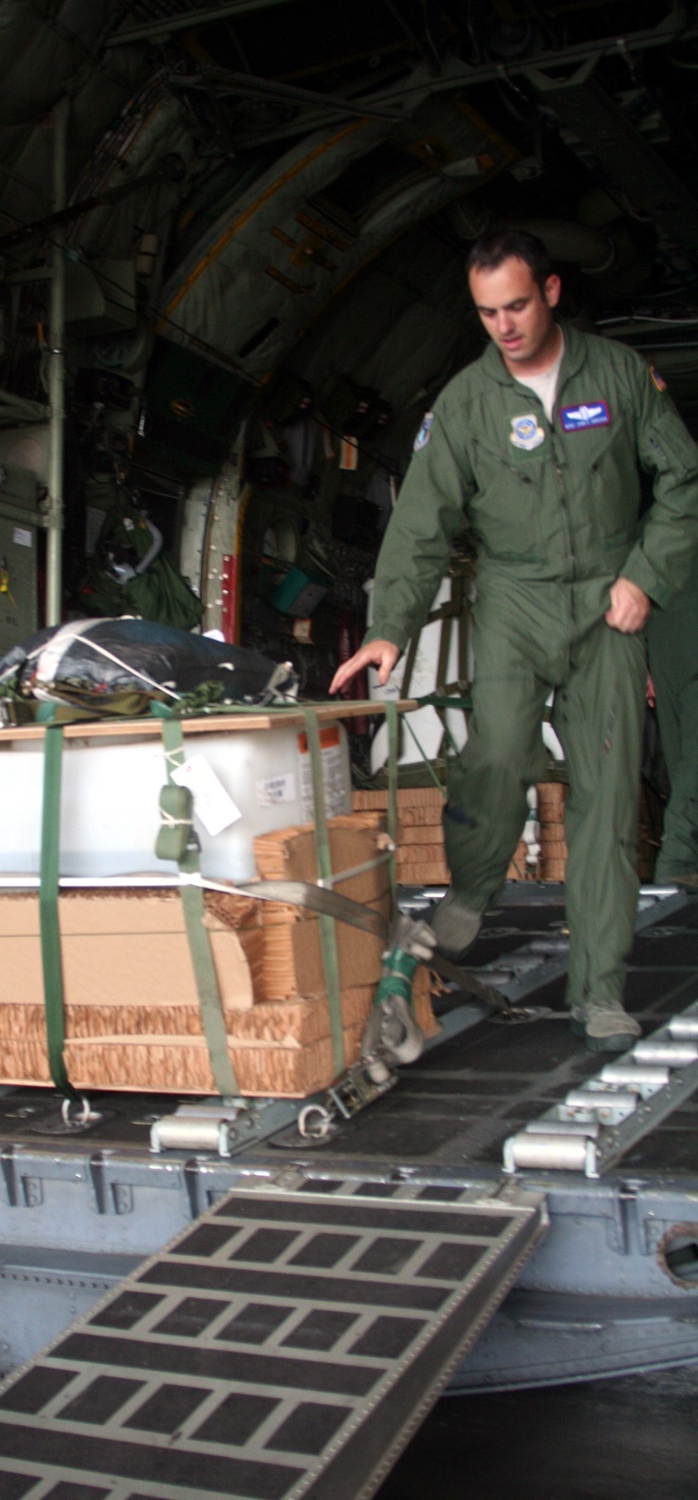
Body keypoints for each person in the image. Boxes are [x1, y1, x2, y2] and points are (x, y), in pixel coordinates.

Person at [331, 229, 698, 1052]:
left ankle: (599, 987)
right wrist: (391, 625)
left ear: (553, 293)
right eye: (488, 312)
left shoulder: (619, 377)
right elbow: (421, 522)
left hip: (608, 602)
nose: (504, 325)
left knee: (606, 797)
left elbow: (685, 480)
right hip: (515, 599)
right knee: (494, 757)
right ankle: (472, 888)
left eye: (518, 305)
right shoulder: (465, 404)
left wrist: (645, 577)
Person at [648, 552, 698, 886]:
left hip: (663, 616)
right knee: (686, 768)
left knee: (684, 767)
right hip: (667, 618)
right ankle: (677, 872)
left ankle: (676, 872)